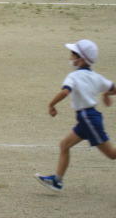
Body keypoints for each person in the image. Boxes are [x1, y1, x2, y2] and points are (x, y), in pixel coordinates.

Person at [35, 40, 116, 192]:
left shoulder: (73, 76)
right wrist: (106, 94)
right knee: (64, 145)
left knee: (112, 154)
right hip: (87, 118)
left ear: (81, 59)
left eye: (73, 54)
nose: (70, 57)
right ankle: (57, 181)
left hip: (88, 119)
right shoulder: (96, 77)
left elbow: (65, 92)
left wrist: (51, 104)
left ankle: (57, 180)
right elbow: (114, 88)